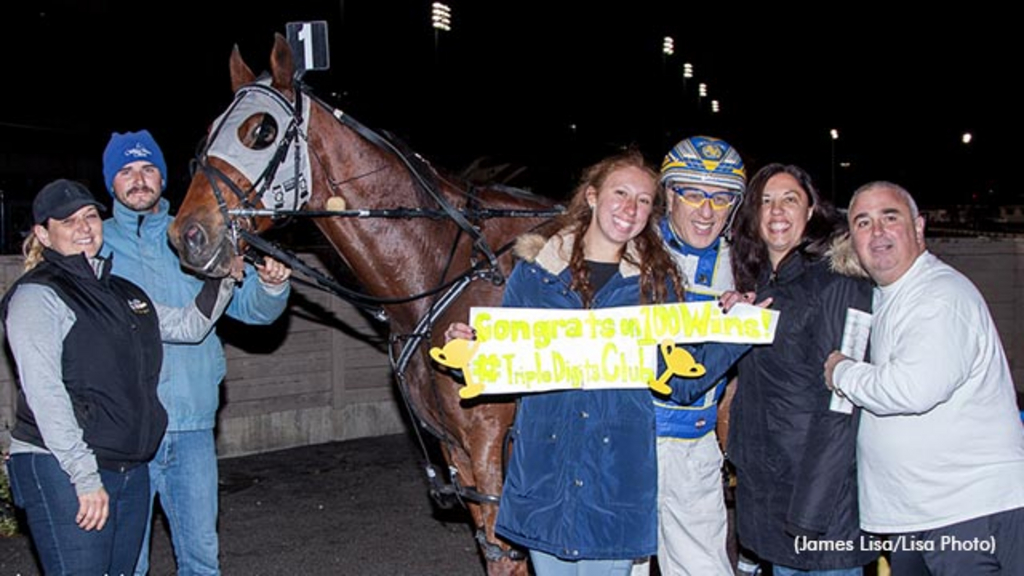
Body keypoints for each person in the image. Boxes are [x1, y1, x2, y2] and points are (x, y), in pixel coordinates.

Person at [2, 179, 236, 576]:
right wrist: (84, 475)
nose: (84, 227)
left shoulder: (122, 293)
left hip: (127, 467)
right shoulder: (37, 296)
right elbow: (45, 395)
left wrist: (224, 276)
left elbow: (188, 326)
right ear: (43, 233)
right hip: (63, 467)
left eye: (90, 216)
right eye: (68, 221)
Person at [100, 129, 292, 576]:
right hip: (125, 431)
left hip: (191, 425)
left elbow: (248, 310)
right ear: (112, 182)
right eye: (126, 171)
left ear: (163, 179)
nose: (139, 179)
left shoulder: (195, 232)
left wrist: (271, 287)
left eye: (148, 169)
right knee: (125, 562)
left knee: (202, 559)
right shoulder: (98, 243)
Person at [824, 182, 1024, 575]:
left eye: (889, 217)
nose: (877, 231)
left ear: (918, 228)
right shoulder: (887, 295)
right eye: (863, 222)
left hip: (966, 511)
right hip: (919, 515)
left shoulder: (941, 295)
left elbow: (913, 389)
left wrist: (842, 371)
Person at [726, 164, 877, 575]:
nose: (776, 211)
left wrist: (810, 514)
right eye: (765, 201)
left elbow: (844, 408)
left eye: (789, 199)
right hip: (773, 499)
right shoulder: (764, 284)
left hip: (820, 508)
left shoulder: (838, 283)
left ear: (810, 211)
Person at [651, 135, 747, 576]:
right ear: (669, 194)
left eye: (721, 197)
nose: (706, 211)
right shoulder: (629, 249)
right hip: (624, 443)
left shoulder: (746, 264)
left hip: (695, 446)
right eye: (692, 193)